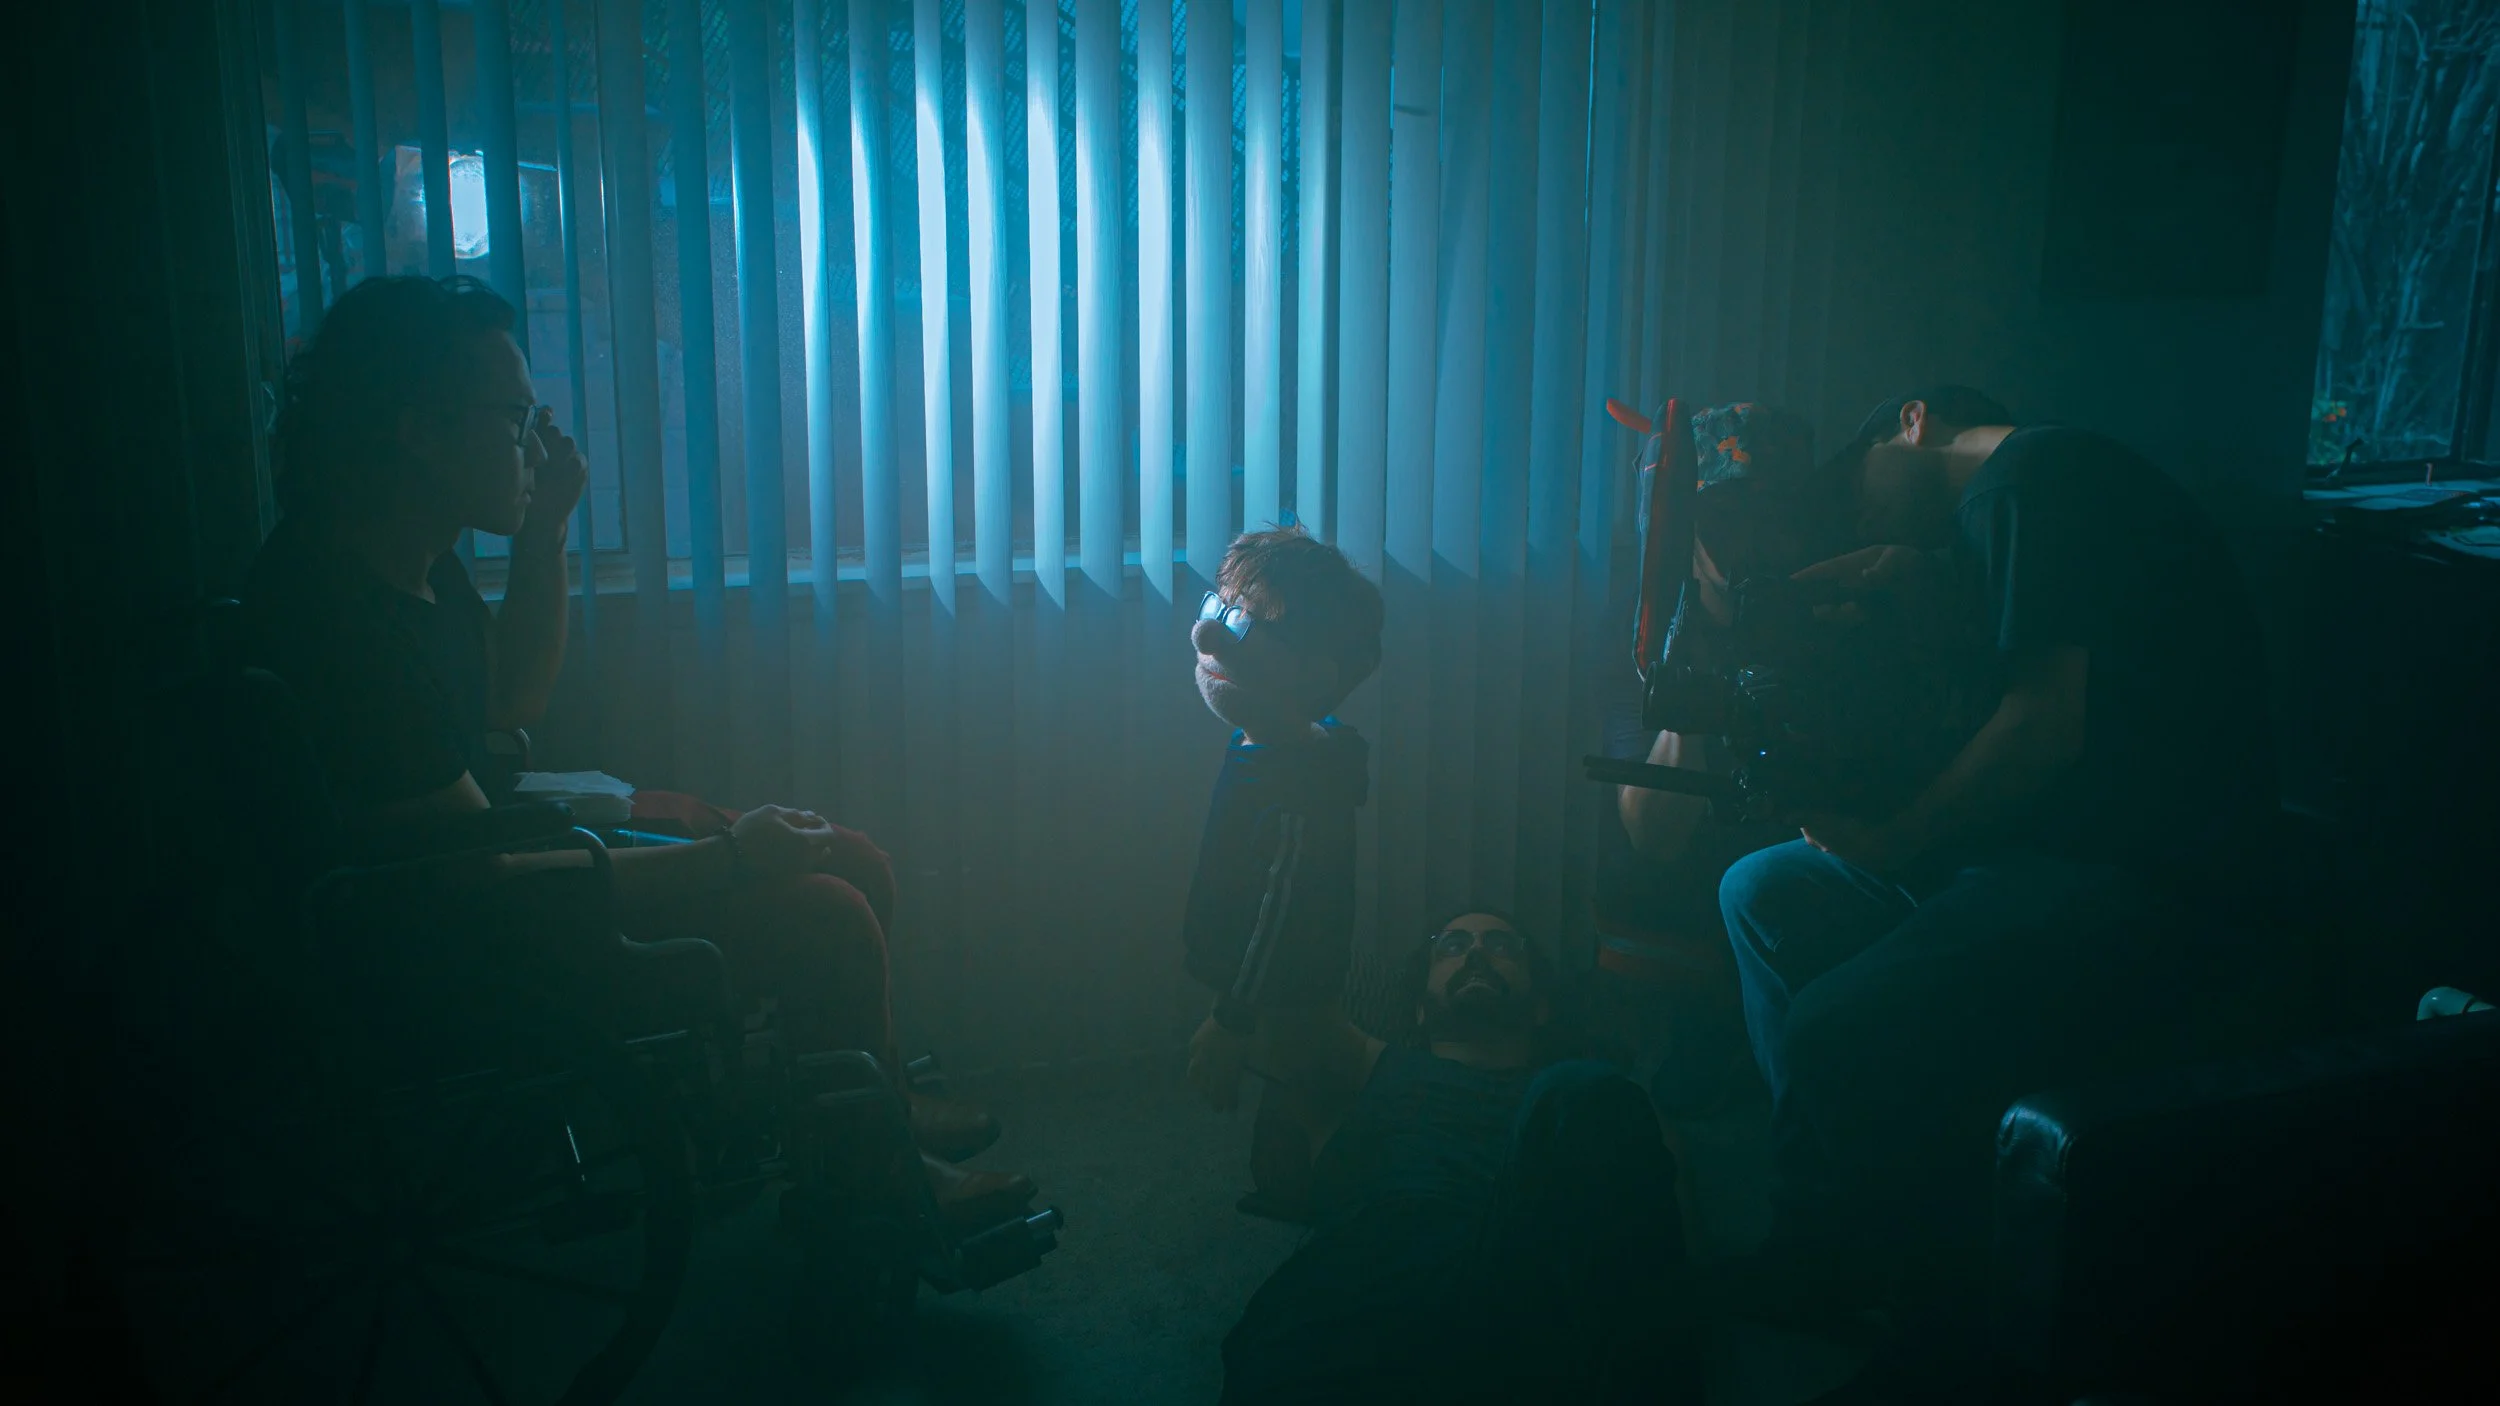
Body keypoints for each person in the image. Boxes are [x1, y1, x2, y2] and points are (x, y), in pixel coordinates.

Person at [239, 274, 1032, 1224]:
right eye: (517, 420)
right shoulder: (337, 623)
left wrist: (544, 531)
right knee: (827, 913)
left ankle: (871, 1112)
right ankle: (874, 1178)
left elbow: (510, 702)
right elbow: (480, 885)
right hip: (463, 943)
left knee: (853, 855)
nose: (540, 447)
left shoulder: (409, 563)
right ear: (419, 430)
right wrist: (729, 859)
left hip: (501, 864)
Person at [1711, 387, 2278, 1362]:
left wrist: (1895, 840)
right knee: (1759, 892)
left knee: (1832, 1023)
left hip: (2133, 867)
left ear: (1912, 419)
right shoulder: (1988, 526)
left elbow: (2042, 726)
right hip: (2029, 851)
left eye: (1856, 489)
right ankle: (1842, 1225)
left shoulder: (2032, 477)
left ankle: (1879, 1287)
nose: (1859, 517)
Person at [1218, 909, 1702, 1406]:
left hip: (1521, 1294)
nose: (1475, 952)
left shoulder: (1586, 1100)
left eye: (1501, 945)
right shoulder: (1368, 1061)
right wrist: (1229, 1020)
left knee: (1585, 1092)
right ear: (1419, 1010)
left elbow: (1663, 1213)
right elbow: (1284, 984)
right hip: (1372, 1288)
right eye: (1451, 946)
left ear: (1540, 1008)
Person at [1178, 526, 1383, 1197]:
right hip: (1261, 984)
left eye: (1245, 623)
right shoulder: (1268, 742)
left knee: (1319, 1081)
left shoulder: (1298, 785)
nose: (1209, 634)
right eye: (1221, 607)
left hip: (1281, 990)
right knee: (1295, 1098)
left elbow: (1277, 912)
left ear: (1315, 676)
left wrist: (1232, 1016)